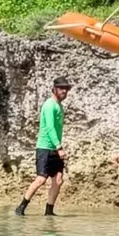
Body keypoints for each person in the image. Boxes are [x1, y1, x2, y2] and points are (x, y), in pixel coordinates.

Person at [15, 77, 73, 217]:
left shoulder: (59, 106)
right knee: (41, 179)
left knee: (58, 180)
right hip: (45, 148)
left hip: (55, 149)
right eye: (61, 88)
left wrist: (58, 147)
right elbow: (50, 127)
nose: (64, 91)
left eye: (66, 89)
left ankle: (49, 211)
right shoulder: (49, 105)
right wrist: (59, 147)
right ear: (54, 89)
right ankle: (21, 207)